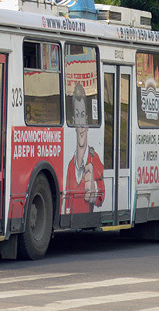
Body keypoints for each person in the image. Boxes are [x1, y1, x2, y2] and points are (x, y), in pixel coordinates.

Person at [63, 83, 104, 216]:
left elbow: (102, 195)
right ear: (73, 122)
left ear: (87, 121)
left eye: (83, 116)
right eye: (77, 117)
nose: (80, 125)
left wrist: (94, 189)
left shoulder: (94, 158)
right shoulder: (70, 165)